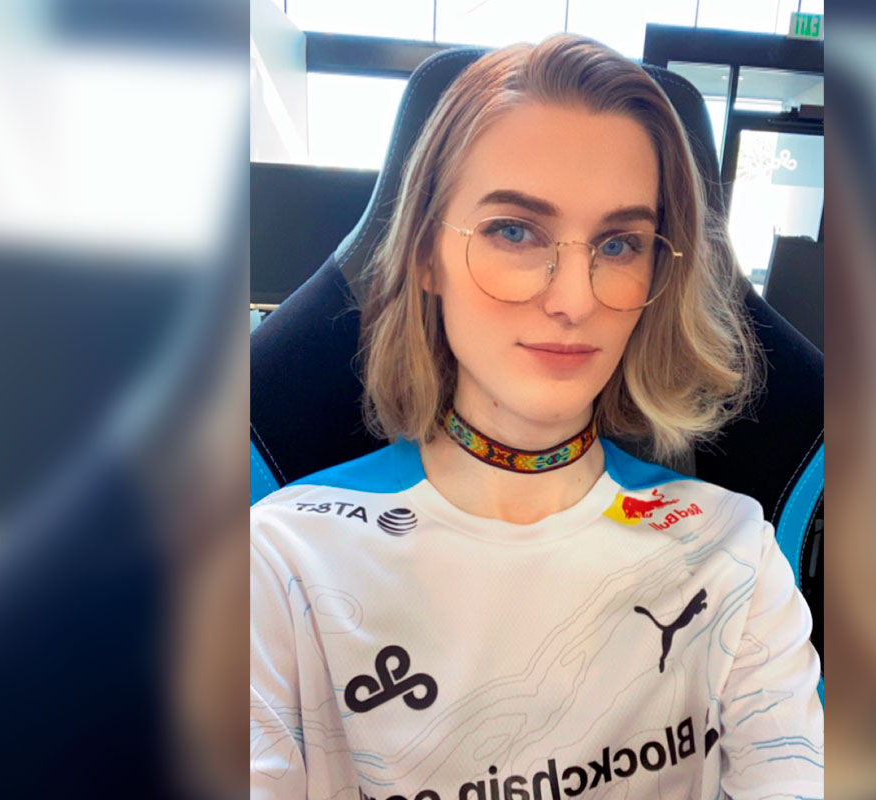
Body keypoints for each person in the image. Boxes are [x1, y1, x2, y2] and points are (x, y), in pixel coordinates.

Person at [251, 33, 823, 800]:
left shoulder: (733, 555)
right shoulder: (282, 563)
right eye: (514, 231)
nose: (574, 298)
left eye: (619, 243)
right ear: (424, 252)